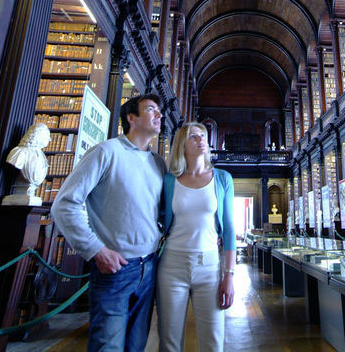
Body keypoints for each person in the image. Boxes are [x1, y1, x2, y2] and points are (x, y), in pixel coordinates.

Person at [52, 94, 165, 352]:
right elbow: (65, 203)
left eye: (159, 111)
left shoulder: (158, 163)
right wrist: (95, 249)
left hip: (149, 268)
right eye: (151, 110)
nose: (159, 115)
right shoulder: (106, 152)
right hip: (115, 270)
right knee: (108, 347)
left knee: (136, 346)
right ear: (131, 118)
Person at [157, 123, 235, 352]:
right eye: (194, 136)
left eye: (203, 135)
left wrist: (229, 275)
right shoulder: (169, 181)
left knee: (213, 340)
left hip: (209, 266)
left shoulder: (222, 179)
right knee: (169, 341)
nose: (201, 139)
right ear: (182, 145)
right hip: (172, 265)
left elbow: (229, 228)